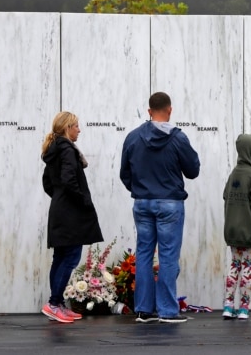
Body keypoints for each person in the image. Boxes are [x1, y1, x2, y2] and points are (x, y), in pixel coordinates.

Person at [120, 92, 200, 324]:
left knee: (144, 254)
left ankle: (144, 310)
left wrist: (141, 191)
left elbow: (124, 174)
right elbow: (193, 171)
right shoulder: (177, 138)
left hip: (142, 203)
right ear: (170, 110)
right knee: (167, 256)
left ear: (148, 111)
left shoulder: (133, 137)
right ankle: (166, 310)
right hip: (169, 204)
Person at [41, 111, 104, 323]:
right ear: (67, 128)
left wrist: (59, 198)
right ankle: (53, 304)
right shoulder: (67, 149)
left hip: (60, 209)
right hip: (70, 213)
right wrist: (82, 201)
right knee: (70, 258)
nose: (79, 129)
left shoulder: (53, 149)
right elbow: (69, 180)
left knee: (60, 258)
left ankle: (56, 304)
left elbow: (48, 183)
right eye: (76, 126)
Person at [221, 134, 251, 321]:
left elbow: (226, 197)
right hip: (249, 232)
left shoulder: (233, 174)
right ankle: (243, 308)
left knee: (234, 266)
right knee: (247, 268)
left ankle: (227, 305)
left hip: (232, 231)